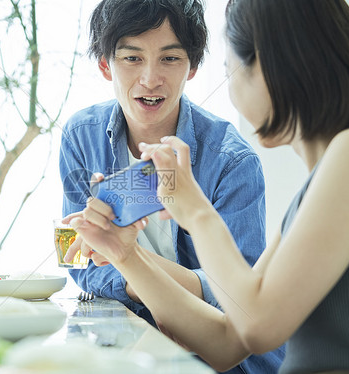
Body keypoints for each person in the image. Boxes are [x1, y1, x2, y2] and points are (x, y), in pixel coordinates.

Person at [67, 0, 349, 372]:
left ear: (274, 67)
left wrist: (194, 210)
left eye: (230, 69)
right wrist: (125, 255)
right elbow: (227, 343)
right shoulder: (330, 176)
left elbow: (255, 326)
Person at [58, 0, 285, 372]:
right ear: (105, 64)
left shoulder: (232, 160)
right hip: (127, 342)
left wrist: (125, 261)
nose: (150, 79)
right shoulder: (81, 136)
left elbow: (235, 293)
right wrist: (133, 270)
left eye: (169, 59)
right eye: (132, 58)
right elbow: (76, 255)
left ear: (193, 67)